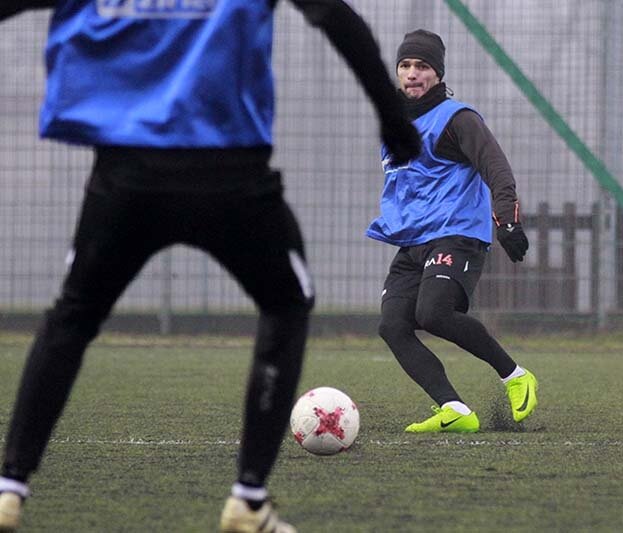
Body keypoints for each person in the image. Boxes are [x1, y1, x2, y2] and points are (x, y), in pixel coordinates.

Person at [0, 1, 420, 531]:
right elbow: (336, 17)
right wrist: (390, 114)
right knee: (287, 303)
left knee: (73, 315)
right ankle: (249, 498)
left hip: (125, 176)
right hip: (231, 176)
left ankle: (10, 488)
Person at [367, 29, 538, 434]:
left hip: (456, 235)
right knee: (392, 326)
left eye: (422, 66)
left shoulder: (457, 119)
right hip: (413, 242)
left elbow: (496, 168)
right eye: (405, 65)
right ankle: (454, 408)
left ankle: (516, 376)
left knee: (434, 313)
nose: (412, 73)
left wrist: (507, 220)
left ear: (438, 74)